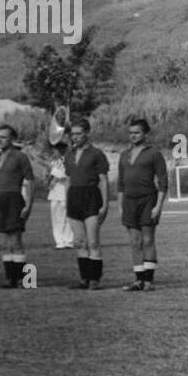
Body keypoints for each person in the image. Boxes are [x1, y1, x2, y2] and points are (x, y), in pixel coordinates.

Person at [118, 117, 167, 291]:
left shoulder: (154, 153)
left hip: (148, 201)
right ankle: (138, 280)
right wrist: (120, 205)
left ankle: (149, 281)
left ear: (145, 133)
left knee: (147, 240)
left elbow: (163, 181)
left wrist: (158, 206)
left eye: (137, 132)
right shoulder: (124, 155)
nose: (133, 136)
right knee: (134, 242)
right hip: (129, 203)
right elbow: (120, 183)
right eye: (131, 133)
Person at [65, 118, 110, 288]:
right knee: (80, 242)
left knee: (93, 242)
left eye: (79, 134)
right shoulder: (68, 155)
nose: (75, 137)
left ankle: (95, 280)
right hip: (74, 199)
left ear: (87, 133)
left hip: (91, 197)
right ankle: (84, 279)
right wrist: (66, 202)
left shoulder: (97, 154)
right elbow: (68, 180)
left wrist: (105, 205)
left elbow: (103, 180)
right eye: (73, 134)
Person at [0, 125, 35, 288]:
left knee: (15, 239)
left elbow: (30, 181)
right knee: (5, 241)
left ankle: (26, 279)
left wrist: (28, 204)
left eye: (4, 137)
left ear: (12, 139)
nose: (0, 140)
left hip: (14, 199)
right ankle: (10, 278)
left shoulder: (20, 157)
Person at [46, 141, 72, 248]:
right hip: (55, 193)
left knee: (68, 217)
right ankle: (59, 241)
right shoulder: (52, 162)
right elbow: (48, 177)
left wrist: (60, 177)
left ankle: (68, 240)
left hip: (66, 192)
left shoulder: (69, 160)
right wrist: (50, 179)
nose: (57, 151)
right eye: (56, 149)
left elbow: (69, 175)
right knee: (56, 218)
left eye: (60, 149)